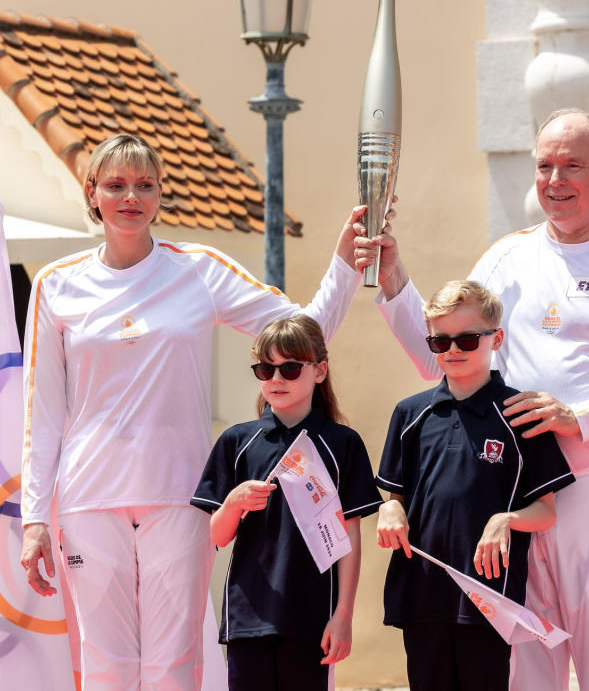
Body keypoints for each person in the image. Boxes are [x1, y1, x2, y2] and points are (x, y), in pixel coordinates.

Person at [355, 109, 589, 691]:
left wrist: (578, 417)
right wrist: (394, 279)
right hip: (511, 496)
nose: (555, 181)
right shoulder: (507, 257)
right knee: (521, 670)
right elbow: (450, 349)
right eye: (544, 166)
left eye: (572, 166)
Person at [19, 134, 366, 690]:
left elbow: (304, 334)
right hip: (88, 498)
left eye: (145, 185)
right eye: (116, 185)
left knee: (174, 662)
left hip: (180, 495)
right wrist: (35, 518)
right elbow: (43, 409)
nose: (130, 196)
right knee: (104, 663)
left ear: (160, 194)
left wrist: (344, 264)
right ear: (93, 193)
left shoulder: (199, 271)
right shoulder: (56, 285)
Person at [374, 280, 574, 691]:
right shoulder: (410, 414)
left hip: (488, 598)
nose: (452, 351)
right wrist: (389, 507)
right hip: (421, 592)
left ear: (495, 338)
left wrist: (505, 518)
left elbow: (546, 512)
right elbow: (395, 495)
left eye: (466, 339)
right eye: (439, 341)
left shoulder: (520, 415)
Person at [191, 315, 382, 690]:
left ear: (319, 371)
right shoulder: (237, 440)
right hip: (248, 616)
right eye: (266, 369)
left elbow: (349, 539)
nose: (276, 380)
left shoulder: (343, 444)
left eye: (290, 369)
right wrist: (232, 503)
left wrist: (342, 616)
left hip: (313, 618)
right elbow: (216, 535)